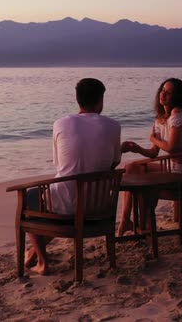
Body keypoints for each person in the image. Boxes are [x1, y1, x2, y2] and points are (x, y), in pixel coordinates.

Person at [25, 78, 121, 275]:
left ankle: (42, 262)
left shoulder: (61, 123)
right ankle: (35, 251)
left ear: (78, 100)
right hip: (101, 205)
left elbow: (61, 164)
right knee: (56, 195)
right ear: (100, 100)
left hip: (66, 208)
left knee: (30, 197)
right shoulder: (113, 126)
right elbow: (113, 163)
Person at [117, 78, 182, 236]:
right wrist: (137, 148)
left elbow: (171, 148)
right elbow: (154, 153)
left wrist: (153, 138)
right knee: (130, 168)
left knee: (144, 183)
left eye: (169, 92)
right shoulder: (161, 119)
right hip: (170, 168)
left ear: (177, 97)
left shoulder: (178, 114)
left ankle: (146, 224)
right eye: (162, 90)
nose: (163, 94)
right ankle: (125, 219)